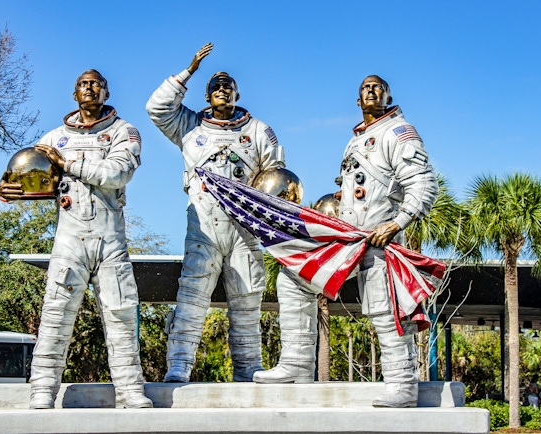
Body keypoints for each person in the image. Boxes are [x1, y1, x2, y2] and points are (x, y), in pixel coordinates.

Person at [254, 75, 438, 409]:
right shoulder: (356, 139)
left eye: (377, 87)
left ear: (388, 96)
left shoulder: (398, 132)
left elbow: (424, 184)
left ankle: (402, 383)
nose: (371, 91)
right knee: (295, 277)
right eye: (365, 88)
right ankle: (296, 362)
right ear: (357, 100)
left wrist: (397, 223)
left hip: (380, 239)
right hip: (349, 238)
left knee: (385, 308)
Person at [0, 70, 152, 409]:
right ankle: (42, 390)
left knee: (121, 314)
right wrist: (9, 189)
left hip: (110, 238)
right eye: (83, 83)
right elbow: (35, 179)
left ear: (106, 91)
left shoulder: (123, 132)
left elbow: (117, 174)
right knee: (55, 313)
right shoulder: (53, 138)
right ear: (74, 93)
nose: (89, 88)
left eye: (96, 83)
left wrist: (67, 162)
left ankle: (130, 390)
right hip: (69, 237)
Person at [146, 43, 285, 383]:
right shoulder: (190, 126)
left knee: (247, 299)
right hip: (203, 227)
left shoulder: (258, 131)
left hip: (244, 229)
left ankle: (248, 366)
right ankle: (179, 364)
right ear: (206, 96)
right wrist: (189, 70)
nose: (222, 90)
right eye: (215, 87)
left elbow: (277, 178)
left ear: (238, 93)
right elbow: (156, 107)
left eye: (228, 86)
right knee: (192, 297)